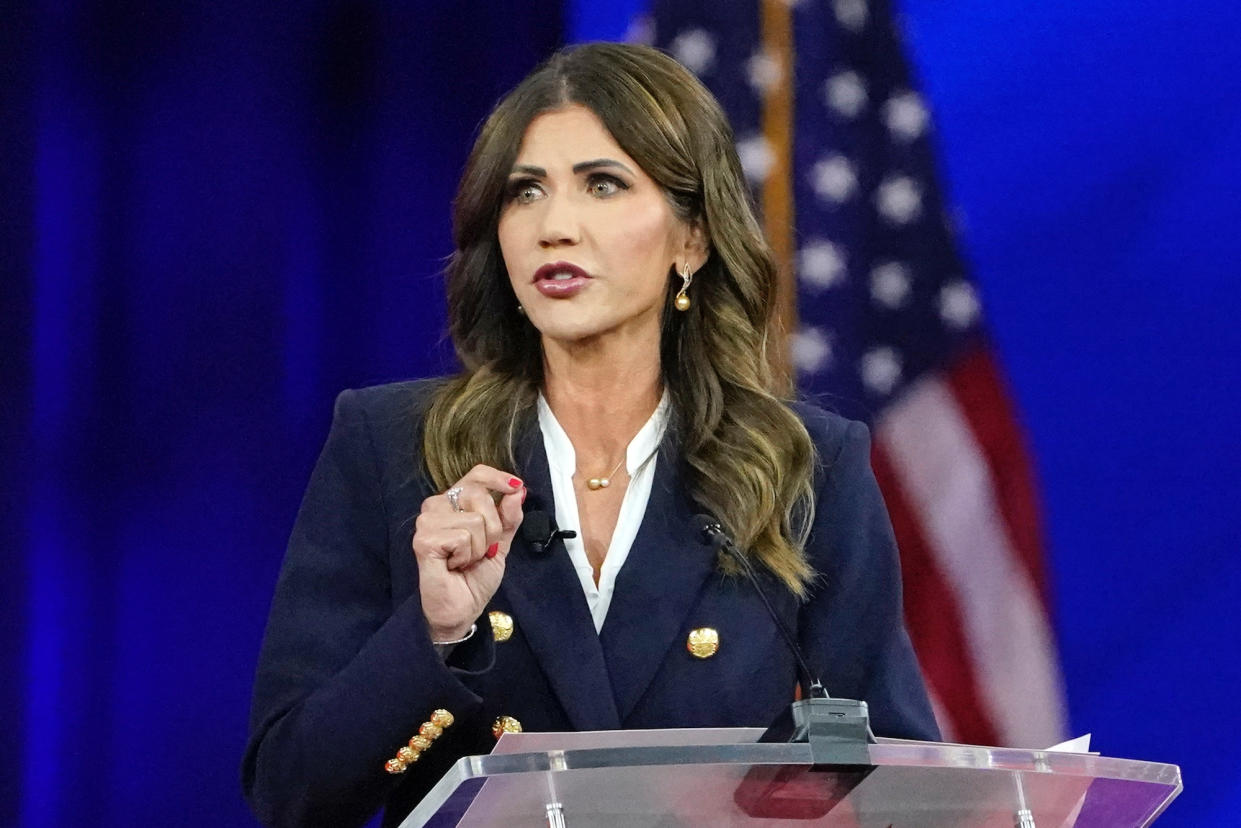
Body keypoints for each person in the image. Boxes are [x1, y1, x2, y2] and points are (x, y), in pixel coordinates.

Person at [243, 41, 939, 828]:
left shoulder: (805, 468)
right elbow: (291, 790)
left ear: (693, 239)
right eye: (524, 193)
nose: (555, 226)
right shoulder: (391, 447)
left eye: (602, 185)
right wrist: (434, 633)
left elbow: (898, 786)